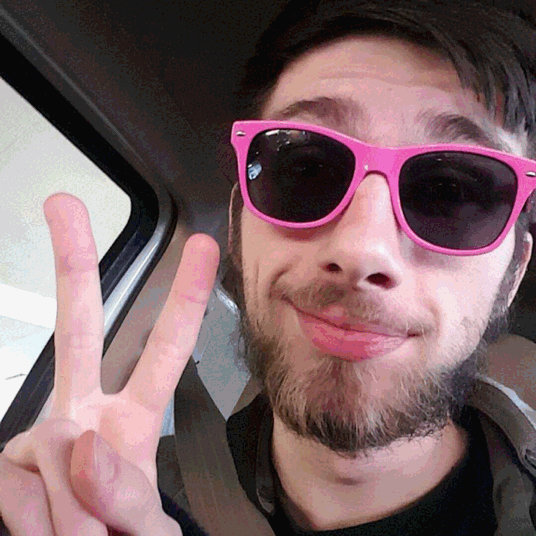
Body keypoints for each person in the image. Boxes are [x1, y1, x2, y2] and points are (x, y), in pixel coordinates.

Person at [1, 0, 536, 534]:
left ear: (513, 274)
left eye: (451, 191)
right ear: (238, 226)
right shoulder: (130, 497)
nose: (361, 250)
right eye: (306, 168)